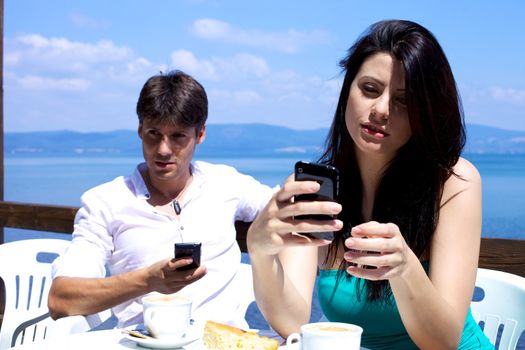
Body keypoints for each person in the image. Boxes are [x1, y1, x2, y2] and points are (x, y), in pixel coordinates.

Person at [247, 20, 493, 349]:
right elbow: (292, 322)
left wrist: (405, 267)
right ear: (347, 90)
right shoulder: (317, 189)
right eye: (370, 89)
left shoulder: (453, 182)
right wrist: (260, 250)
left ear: (427, 113)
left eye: (403, 101)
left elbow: (443, 341)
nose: (380, 110)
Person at [48, 70, 274, 329]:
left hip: (224, 342)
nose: (164, 149)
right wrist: (148, 281)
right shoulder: (105, 202)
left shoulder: (226, 183)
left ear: (200, 135)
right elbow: (61, 299)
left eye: (178, 136)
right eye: (154, 134)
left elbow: (286, 208)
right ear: (140, 130)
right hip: (143, 344)